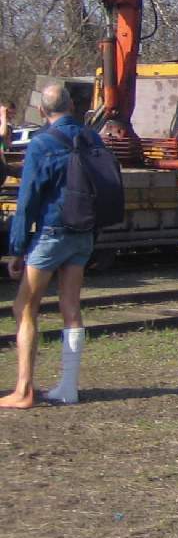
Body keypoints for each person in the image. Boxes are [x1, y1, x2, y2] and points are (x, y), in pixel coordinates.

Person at [2, 84, 94, 408]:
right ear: (72, 106)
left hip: (52, 232)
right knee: (71, 306)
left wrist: (17, 248)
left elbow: (27, 200)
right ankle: (68, 388)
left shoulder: (41, 143)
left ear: (41, 111)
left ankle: (24, 390)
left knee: (24, 306)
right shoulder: (91, 138)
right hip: (84, 231)